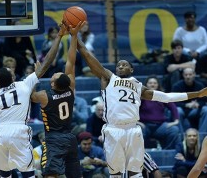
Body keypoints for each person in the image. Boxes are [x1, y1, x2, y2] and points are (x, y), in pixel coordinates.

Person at [77, 35, 207, 177]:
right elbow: (88, 56)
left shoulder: (139, 87)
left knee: (136, 171)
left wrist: (198, 94)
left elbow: (167, 97)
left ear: (131, 70)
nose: (120, 66)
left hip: (133, 129)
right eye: (118, 65)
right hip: (114, 128)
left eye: (124, 64)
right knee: (116, 172)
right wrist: (75, 37)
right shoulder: (109, 78)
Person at [0, 22, 69, 178]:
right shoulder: (23, 84)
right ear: (13, 78)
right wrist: (59, 36)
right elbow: (48, 60)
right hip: (18, 130)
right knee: (28, 172)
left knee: (4, 173)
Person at [30, 21, 85, 178]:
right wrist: (73, 36)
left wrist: (36, 76)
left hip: (54, 139)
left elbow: (31, 96)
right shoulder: (70, 89)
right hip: (70, 138)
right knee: (74, 175)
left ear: (53, 83)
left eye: (55, 75)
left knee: (50, 174)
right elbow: (71, 60)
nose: (56, 73)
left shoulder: (44, 96)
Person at [139, 75, 181, 149]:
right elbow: (132, 109)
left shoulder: (162, 96)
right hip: (145, 125)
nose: (152, 84)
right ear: (146, 84)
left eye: (155, 83)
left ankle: (166, 152)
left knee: (174, 130)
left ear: (158, 85)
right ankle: (141, 154)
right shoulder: (141, 96)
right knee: (137, 131)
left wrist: (176, 121)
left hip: (160, 126)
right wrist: (138, 122)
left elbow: (173, 107)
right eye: (150, 83)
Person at [172, 68, 207, 135]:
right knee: (178, 110)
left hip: (195, 110)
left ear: (194, 75)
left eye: (190, 74)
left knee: (206, 109)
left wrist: (198, 104)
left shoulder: (200, 85)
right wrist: (186, 105)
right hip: (183, 110)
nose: (188, 77)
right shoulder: (177, 86)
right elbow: (174, 102)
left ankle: (201, 136)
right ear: (183, 75)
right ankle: (181, 137)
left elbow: (204, 101)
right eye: (186, 75)